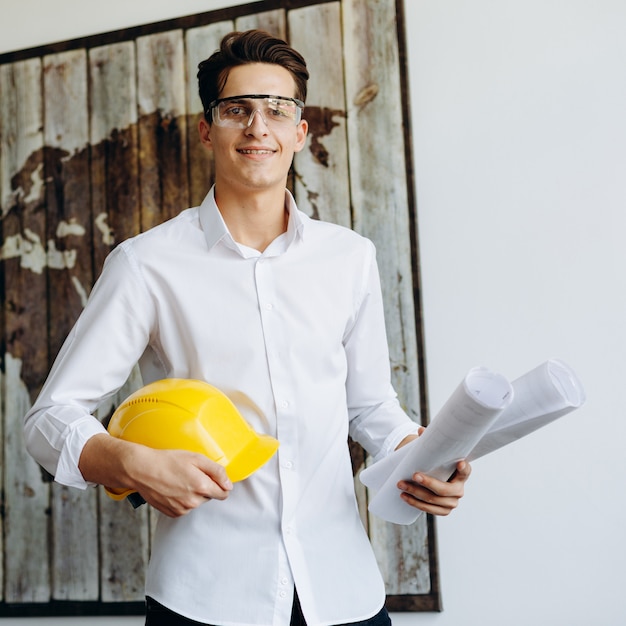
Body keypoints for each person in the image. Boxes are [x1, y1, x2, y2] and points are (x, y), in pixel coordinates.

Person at [24, 30, 470, 626]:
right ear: (208, 129)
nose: (258, 126)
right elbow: (50, 417)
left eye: (277, 110)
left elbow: (370, 407)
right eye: (237, 109)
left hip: (343, 593)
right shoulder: (146, 263)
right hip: (203, 599)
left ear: (299, 132)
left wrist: (425, 456)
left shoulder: (350, 257)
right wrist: (130, 462)